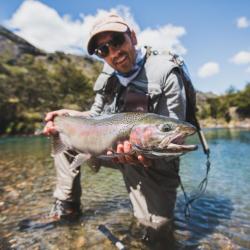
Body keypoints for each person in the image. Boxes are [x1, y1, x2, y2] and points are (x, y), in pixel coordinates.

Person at [43, 14, 187, 244]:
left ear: (133, 37)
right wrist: (68, 116)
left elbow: (173, 135)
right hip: (110, 148)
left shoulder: (166, 74)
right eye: (103, 50)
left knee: (155, 230)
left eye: (118, 41)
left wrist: (144, 154)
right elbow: (95, 116)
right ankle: (67, 207)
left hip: (150, 160)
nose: (113, 54)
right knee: (66, 139)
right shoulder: (108, 78)